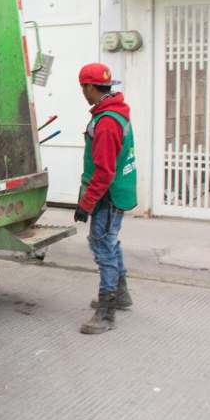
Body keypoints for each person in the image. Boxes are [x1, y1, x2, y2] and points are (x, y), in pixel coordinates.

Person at [73, 62, 138, 335]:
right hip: (116, 192)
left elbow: (104, 171)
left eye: (83, 88)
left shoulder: (107, 122)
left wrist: (85, 204)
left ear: (89, 87)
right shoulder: (113, 113)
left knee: (102, 246)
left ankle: (106, 312)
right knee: (110, 242)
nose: (83, 93)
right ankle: (121, 295)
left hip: (107, 196)